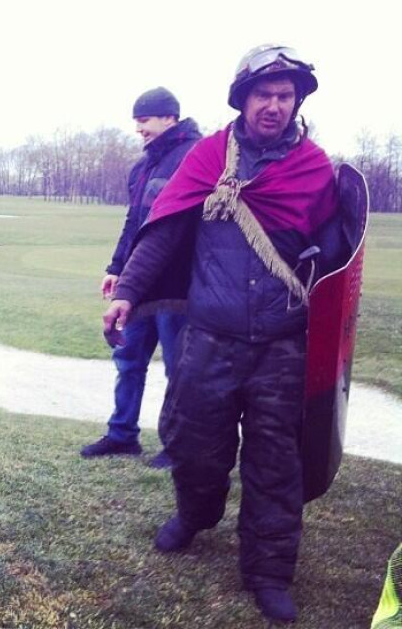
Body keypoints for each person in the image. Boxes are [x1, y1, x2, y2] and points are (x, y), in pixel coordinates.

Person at [102, 45, 349, 623]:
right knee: (195, 445)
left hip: (282, 343)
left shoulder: (315, 170)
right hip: (210, 335)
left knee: (274, 462)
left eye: (285, 96)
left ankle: (267, 571)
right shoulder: (210, 156)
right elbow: (161, 233)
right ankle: (195, 514)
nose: (274, 105)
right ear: (243, 99)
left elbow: (337, 261)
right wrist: (127, 294)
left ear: (297, 102)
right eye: (264, 94)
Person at [81, 88, 201, 466]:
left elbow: (185, 228)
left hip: (178, 286)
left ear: (170, 118)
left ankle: (179, 447)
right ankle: (122, 435)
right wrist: (117, 269)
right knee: (129, 359)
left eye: (144, 120)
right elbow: (134, 224)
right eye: (136, 121)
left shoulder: (196, 157)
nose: (139, 129)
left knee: (179, 370)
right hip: (138, 286)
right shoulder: (144, 165)